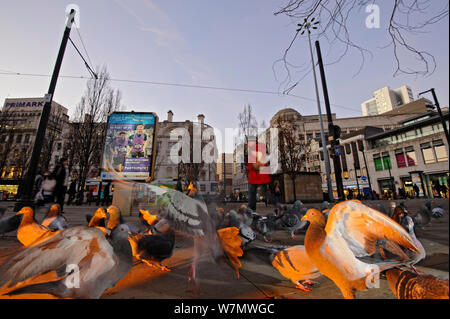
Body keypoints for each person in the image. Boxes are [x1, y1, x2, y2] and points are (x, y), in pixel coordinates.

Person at [247, 140, 272, 211]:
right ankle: (252, 208)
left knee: (253, 192)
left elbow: (254, 164)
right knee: (260, 192)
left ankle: (252, 209)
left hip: (256, 176)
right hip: (258, 176)